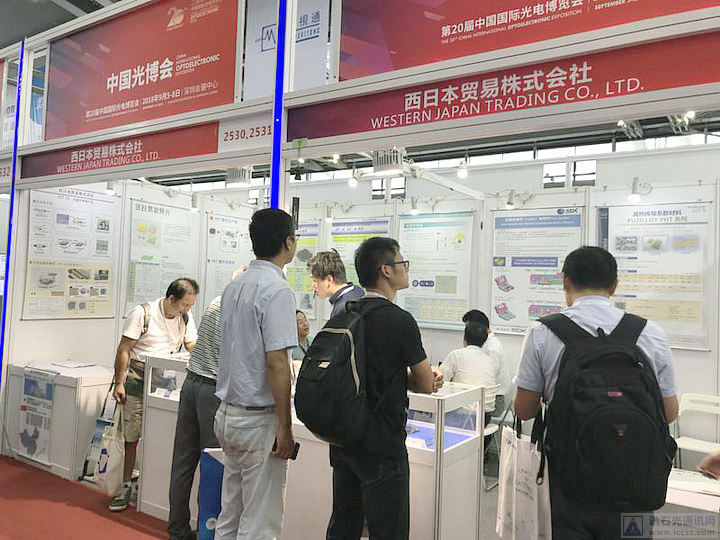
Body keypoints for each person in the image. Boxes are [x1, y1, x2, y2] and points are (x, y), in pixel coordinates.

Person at [513, 246, 679, 539]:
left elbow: (524, 410)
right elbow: (669, 412)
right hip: (637, 481)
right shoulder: (650, 332)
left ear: (565, 281)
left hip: (570, 484)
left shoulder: (542, 332)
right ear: (614, 285)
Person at [326, 237, 443, 540]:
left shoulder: (346, 312)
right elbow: (425, 384)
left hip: (344, 438)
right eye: (403, 263)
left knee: (344, 524)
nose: (406, 269)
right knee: (389, 530)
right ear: (386, 270)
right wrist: (423, 377)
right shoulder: (399, 320)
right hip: (382, 444)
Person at [214, 209, 298, 540]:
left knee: (230, 514)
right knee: (259, 524)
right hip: (258, 421)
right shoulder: (277, 289)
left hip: (228, 414)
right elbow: (277, 362)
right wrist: (285, 425)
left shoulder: (235, 285)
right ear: (288, 242)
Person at [168, 266, 247, 540]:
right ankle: (207, 532)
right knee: (213, 464)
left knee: (183, 461)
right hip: (212, 391)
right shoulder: (239, 309)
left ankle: (178, 529)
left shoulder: (217, 301)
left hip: (191, 384)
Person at [110, 278, 199, 512]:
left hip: (167, 379)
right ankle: (125, 485)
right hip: (137, 379)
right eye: (184, 304)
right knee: (132, 435)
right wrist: (119, 383)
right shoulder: (143, 314)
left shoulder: (185, 317)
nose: (187, 309)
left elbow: (191, 344)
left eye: (190, 305)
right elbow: (124, 349)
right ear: (171, 298)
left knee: (163, 433)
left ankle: (152, 485)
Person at [439, 321, 497, 430]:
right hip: (485, 418)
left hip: (464, 417)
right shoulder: (489, 360)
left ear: (464, 339)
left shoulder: (456, 354)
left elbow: (440, 380)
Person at [462, 309, 510, 402]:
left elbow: (488, 375)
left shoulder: (492, 347)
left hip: (493, 397)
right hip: (481, 394)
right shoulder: (483, 343)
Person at [307, 249, 364, 318]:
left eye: (315, 280)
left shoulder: (343, 308)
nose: (312, 287)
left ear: (329, 280)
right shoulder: (357, 290)